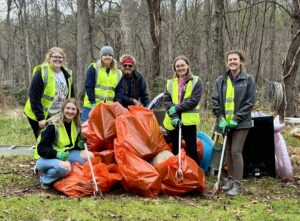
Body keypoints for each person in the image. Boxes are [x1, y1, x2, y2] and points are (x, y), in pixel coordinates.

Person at [212, 50, 256, 197]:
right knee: (228, 152)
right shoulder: (221, 80)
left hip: (242, 123)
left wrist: (237, 118)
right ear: (227, 62)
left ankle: (238, 184)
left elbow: (250, 102)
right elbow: (215, 100)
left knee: (236, 151)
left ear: (241, 61)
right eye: (230, 60)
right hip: (226, 123)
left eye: (235, 59)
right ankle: (230, 181)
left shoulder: (248, 79)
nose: (232, 62)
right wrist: (221, 118)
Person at [34, 98, 94, 189]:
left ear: (77, 111)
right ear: (63, 109)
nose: (70, 111)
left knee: (90, 156)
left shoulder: (76, 125)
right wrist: (57, 154)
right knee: (65, 167)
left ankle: (62, 174)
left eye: (73, 109)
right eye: (68, 108)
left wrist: (79, 145)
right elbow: (41, 149)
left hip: (65, 154)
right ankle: (45, 179)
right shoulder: (53, 125)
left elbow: (71, 144)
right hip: (45, 158)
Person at [24, 47, 74, 139]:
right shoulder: (42, 73)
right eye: (54, 57)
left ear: (63, 59)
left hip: (57, 115)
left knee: (56, 141)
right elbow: (34, 97)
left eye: (60, 57)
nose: (57, 59)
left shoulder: (67, 74)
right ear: (49, 58)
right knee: (42, 142)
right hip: (39, 115)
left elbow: (71, 96)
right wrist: (40, 118)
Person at [163, 55, 202, 167]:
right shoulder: (170, 83)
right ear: (175, 68)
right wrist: (174, 115)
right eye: (177, 66)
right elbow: (166, 100)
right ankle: (176, 175)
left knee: (191, 149)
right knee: (175, 148)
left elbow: (193, 100)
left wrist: (176, 108)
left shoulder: (196, 81)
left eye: (182, 65)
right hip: (174, 120)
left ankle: (197, 175)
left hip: (188, 121)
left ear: (187, 66)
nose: (180, 68)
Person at [81, 46, 122, 122]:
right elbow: (89, 86)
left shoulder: (118, 73)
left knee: (103, 132)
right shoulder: (94, 67)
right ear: (101, 57)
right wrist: (93, 103)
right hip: (90, 106)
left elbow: (119, 91)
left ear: (112, 57)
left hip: (107, 109)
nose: (107, 57)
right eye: (105, 55)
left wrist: (116, 105)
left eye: (109, 55)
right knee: (85, 130)